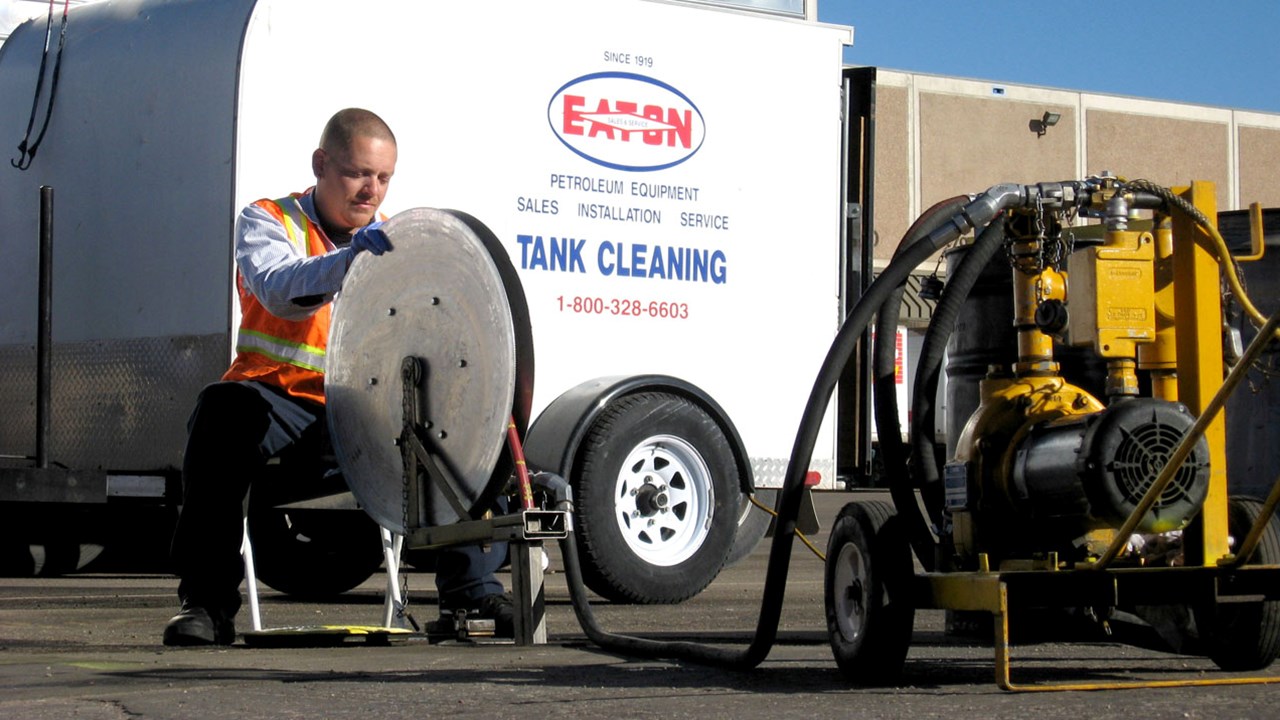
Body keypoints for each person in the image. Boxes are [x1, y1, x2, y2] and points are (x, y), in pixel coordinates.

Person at [163, 108, 511, 646]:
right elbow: (278, 287)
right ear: (321, 164)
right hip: (278, 398)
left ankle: (473, 592)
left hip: (358, 409)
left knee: (457, 426)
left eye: (384, 178)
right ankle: (206, 606)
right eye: (357, 173)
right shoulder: (267, 221)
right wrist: (346, 263)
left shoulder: (394, 241)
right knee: (221, 412)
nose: (371, 190)